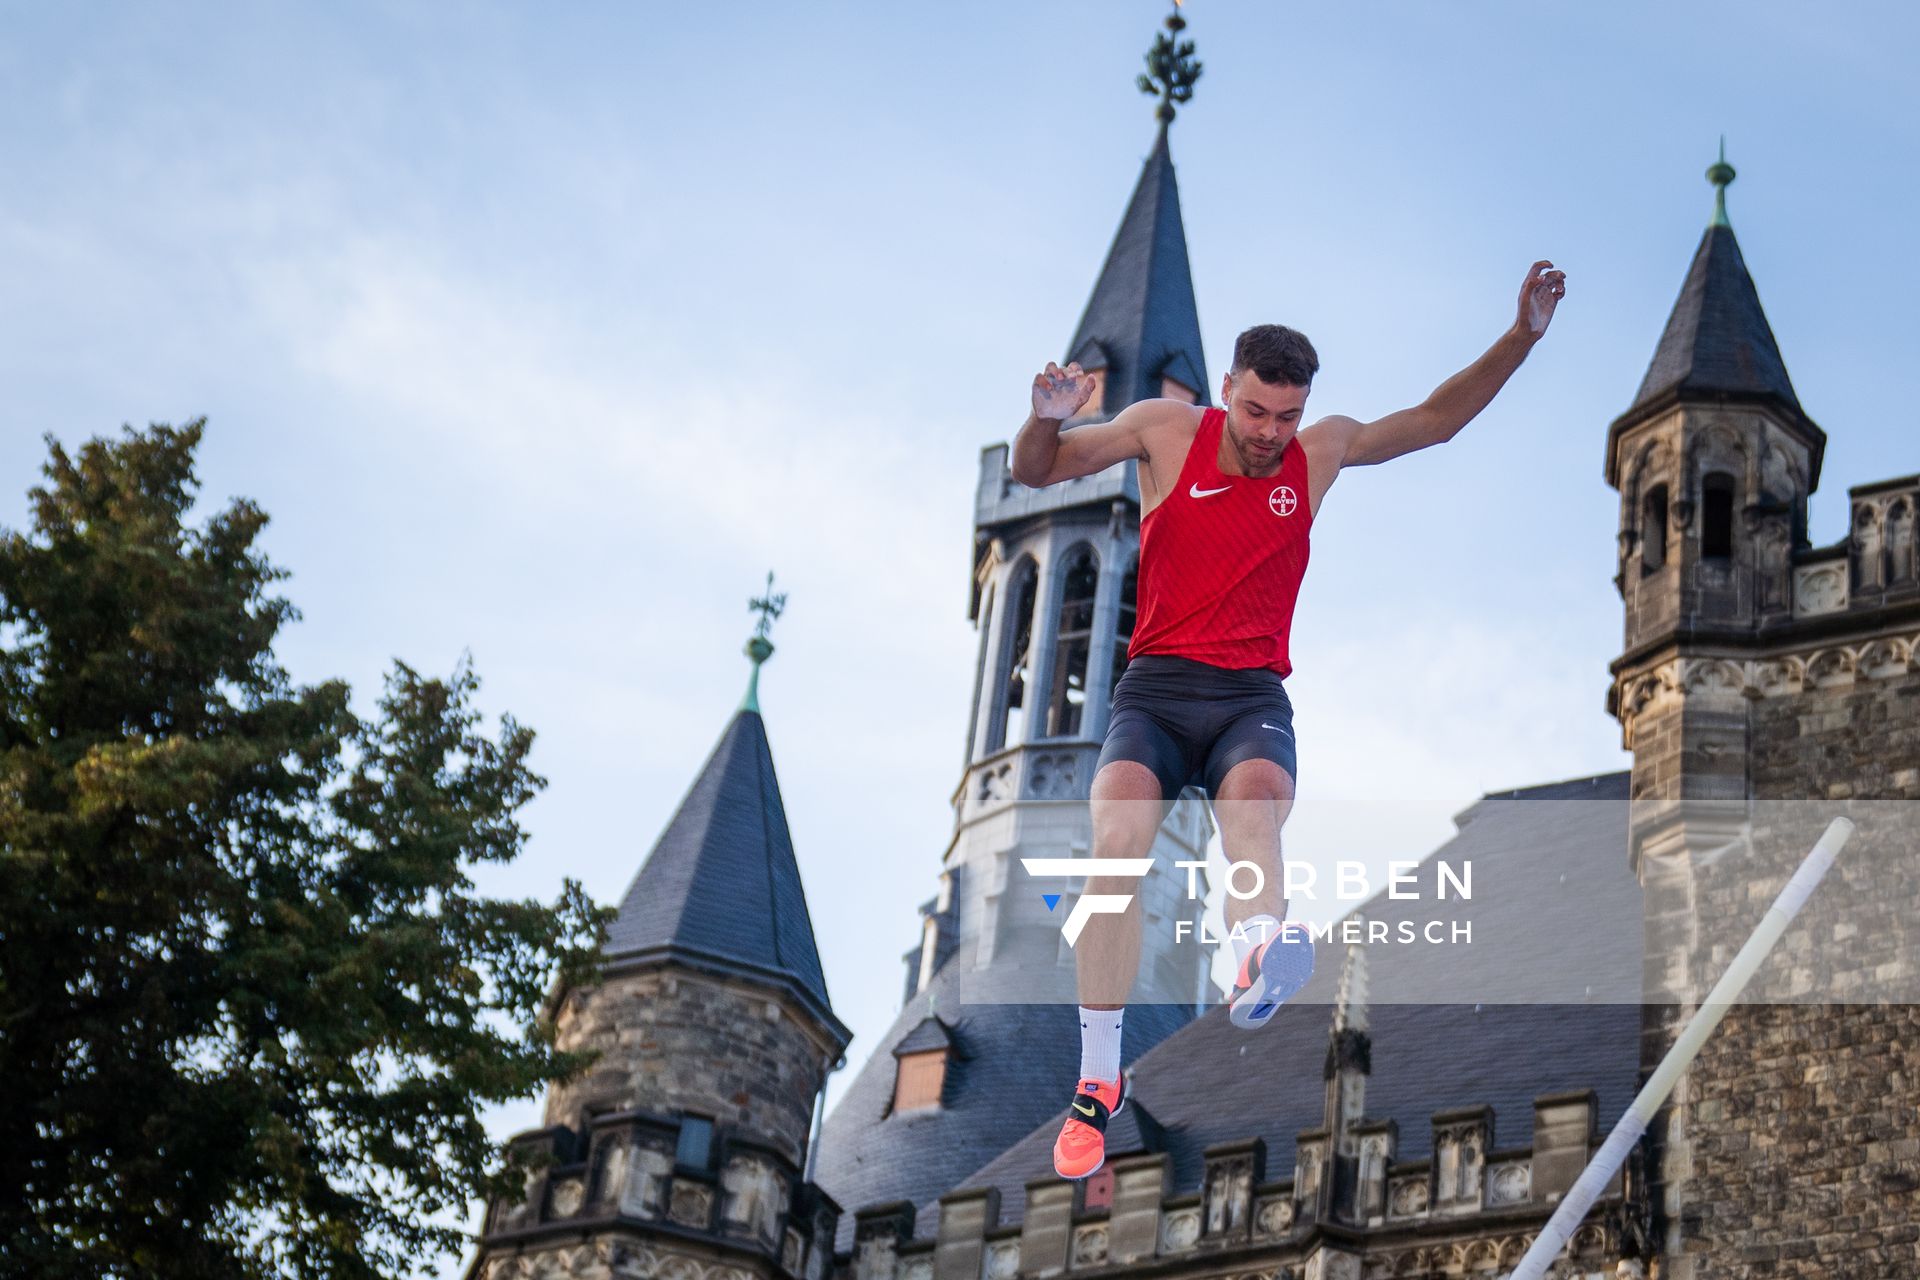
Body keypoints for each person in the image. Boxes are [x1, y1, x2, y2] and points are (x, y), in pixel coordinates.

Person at [1013, 261, 1568, 1180]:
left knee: (1256, 812)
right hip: (1154, 691)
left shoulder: (1320, 453)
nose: (1272, 435)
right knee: (1116, 847)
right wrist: (1043, 416)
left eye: (1288, 416)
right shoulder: (1163, 430)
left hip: (1248, 700)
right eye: (1257, 413)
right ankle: (1097, 1081)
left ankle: (1258, 951)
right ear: (1228, 391)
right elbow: (1041, 470)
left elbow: (1434, 422)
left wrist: (1521, 336)